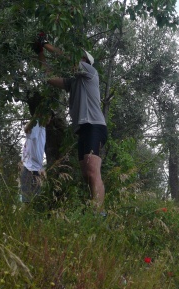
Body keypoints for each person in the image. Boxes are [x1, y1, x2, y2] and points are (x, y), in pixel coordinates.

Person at [33, 33, 108, 213]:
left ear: (85, 61)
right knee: (86, 173)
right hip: (83, 129)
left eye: (79, 56)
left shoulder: (90, 73)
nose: (76, 58)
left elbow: (68, 59)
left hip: (94, 125)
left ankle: (99, 213)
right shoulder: (73, 82)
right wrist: (41, 53)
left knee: (92, 170)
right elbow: (48, 78)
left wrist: (47, 44)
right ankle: (94, 209)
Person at [20, 116, 48, 203]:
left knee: (36, 200)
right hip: (29, 168)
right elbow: (27, 130)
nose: (49, 118)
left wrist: (41, 167)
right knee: (28, 201)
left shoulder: (43, 129)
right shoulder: (37, 125)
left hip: (35, 168)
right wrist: (36, 118)